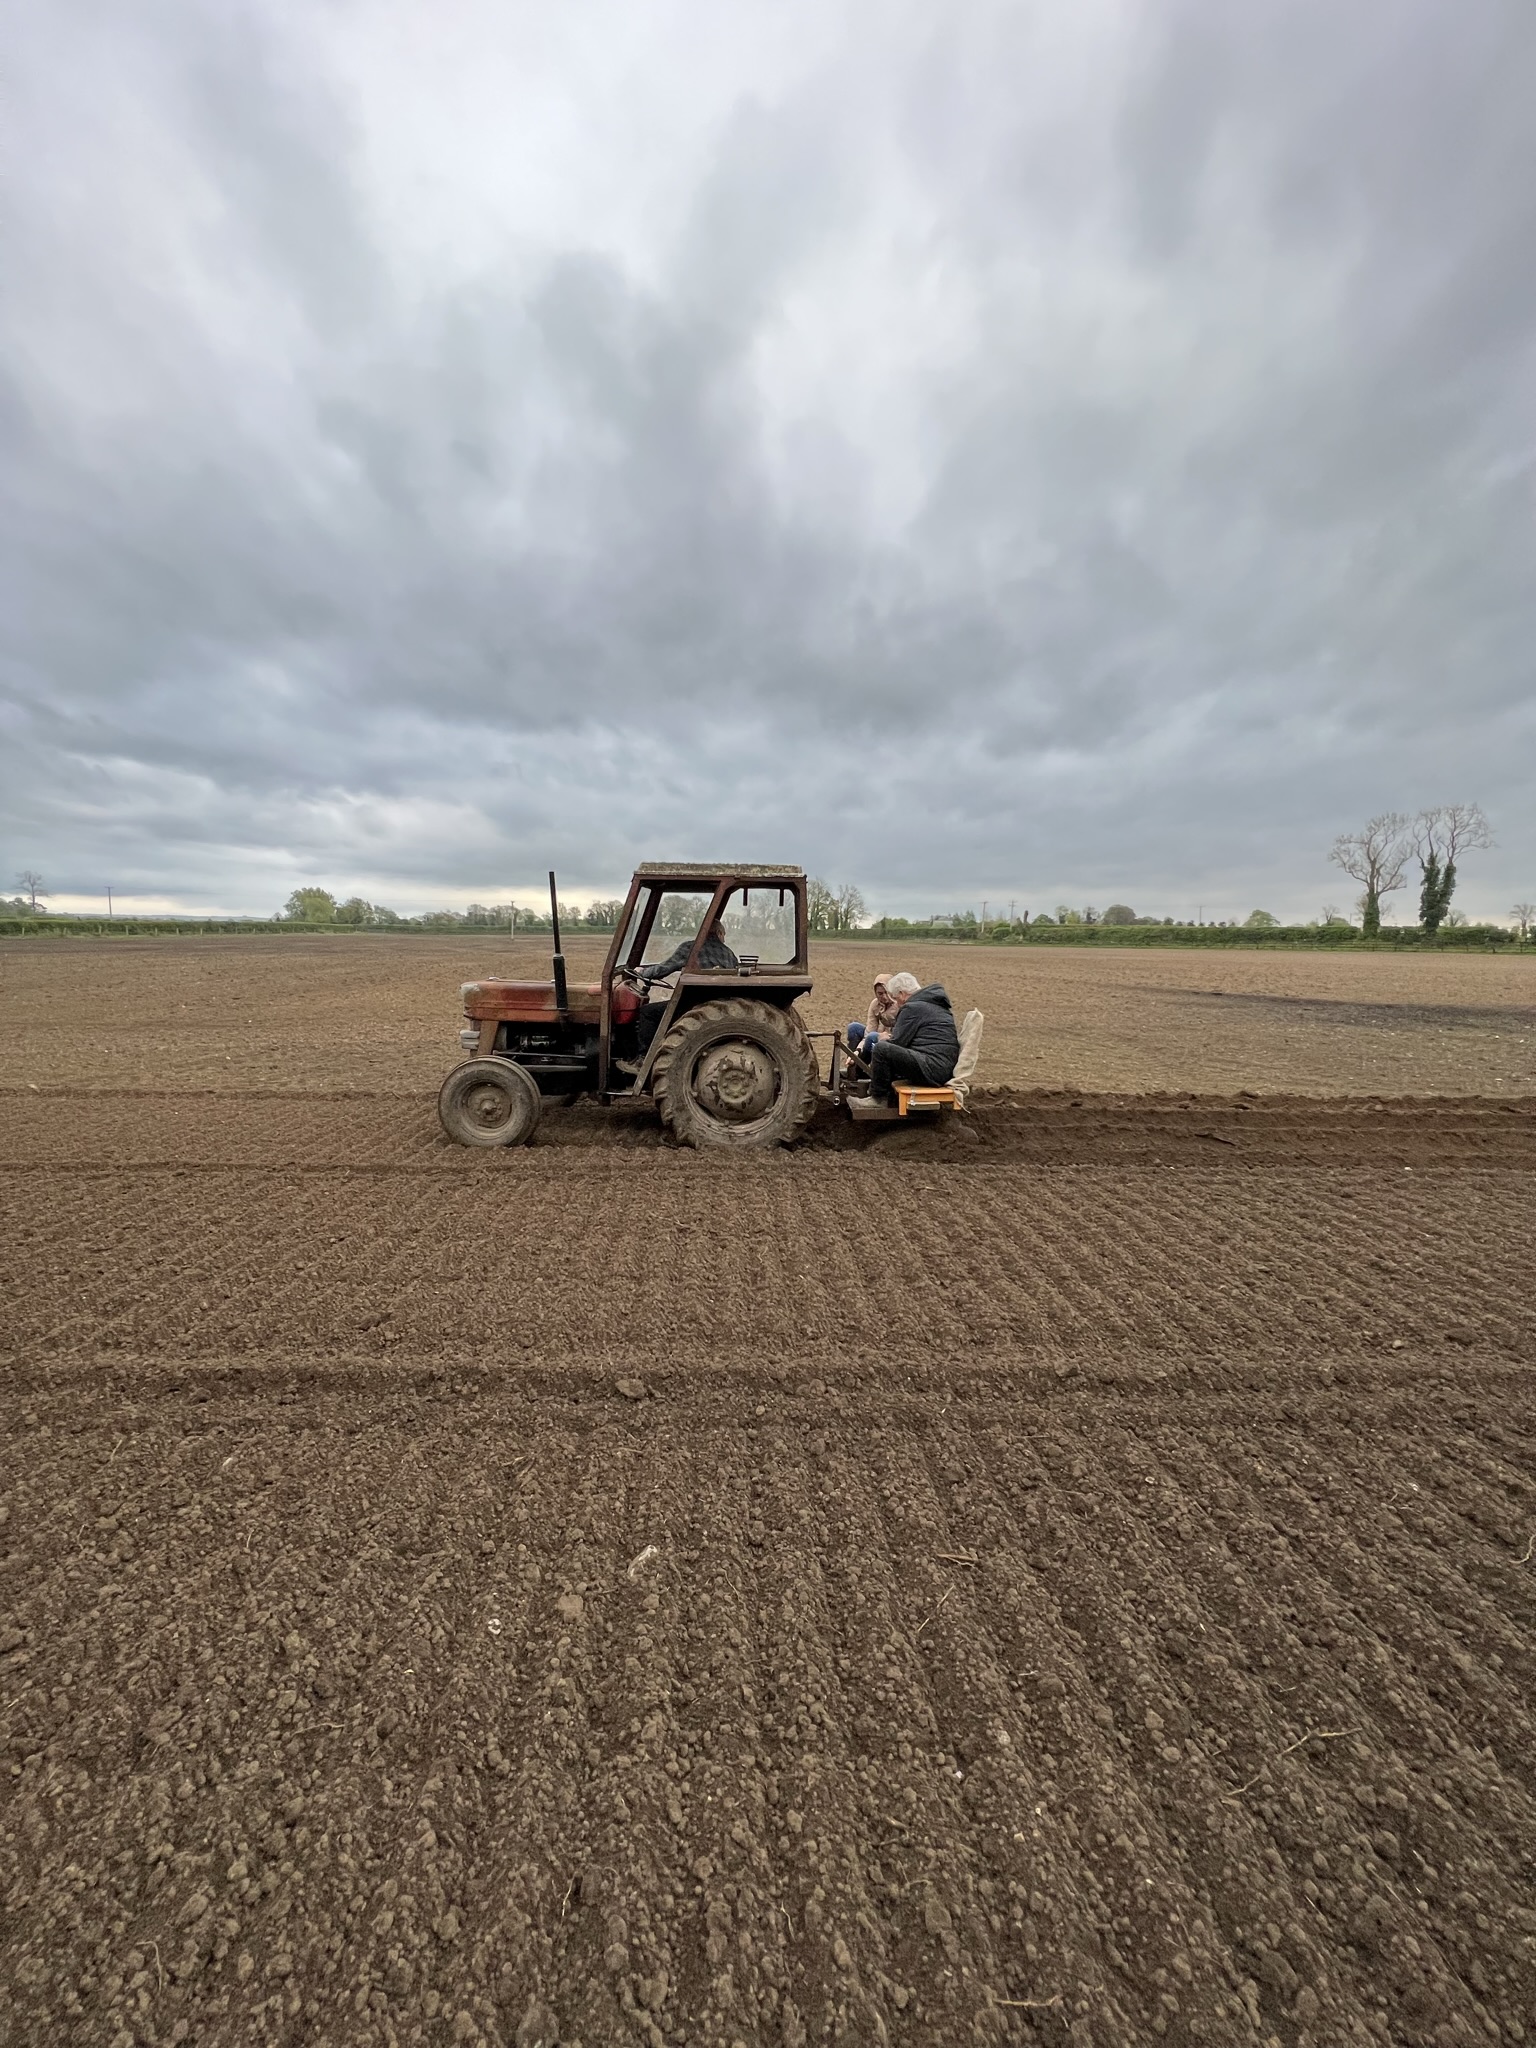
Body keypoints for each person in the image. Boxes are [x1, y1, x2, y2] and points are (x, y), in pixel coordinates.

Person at [632, 916, 740, 1059]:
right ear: (719, 934)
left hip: (693, 1005)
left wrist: (643, 972)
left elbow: (663, 969)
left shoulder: (691, 948)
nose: (724, 940)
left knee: (648, 1012)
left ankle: (644, 1059)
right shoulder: (729, 953)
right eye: (724, 936)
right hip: (719, 1004)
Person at [867, 972, 960, 1105]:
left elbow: (897, 1043)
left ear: (902, 994)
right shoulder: (932, 1004)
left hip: (933, 1068)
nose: (897, 1005)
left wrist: (882, 1038)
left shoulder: (912, 1007)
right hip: (941, 1067)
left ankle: (877, 1099)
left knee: (882, 1049)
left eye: (896, 999)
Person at [846, 971, 899, 1061]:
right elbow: (870, 1030)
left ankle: (860, 1068)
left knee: (872, 1037)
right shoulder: (875, 1005)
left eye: (886, 992)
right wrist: (858, 1050)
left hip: (893, 1039)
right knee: (853, 1028)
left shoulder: (899, 1004)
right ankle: (853, 1061)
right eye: (880, 993)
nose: (884, 997)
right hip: (877, 1034)